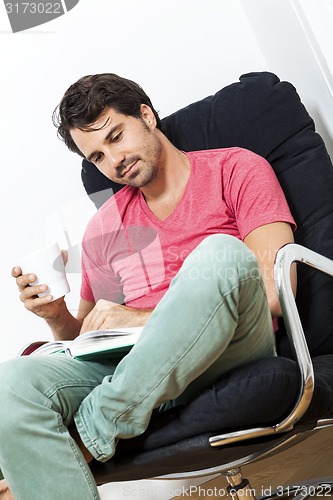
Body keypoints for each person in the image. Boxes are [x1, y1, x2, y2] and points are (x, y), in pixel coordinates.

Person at [0, 73, 296, 499]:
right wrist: (56, 316)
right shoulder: (106, 224)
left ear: (146, 115)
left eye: (117, 137)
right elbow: (84, 339)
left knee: (219, 254)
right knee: (11, 383)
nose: (114, 160)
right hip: (135, 369)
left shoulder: (237, 169)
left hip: (229, 347)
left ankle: (92, 434)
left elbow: (276, 291)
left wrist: (143, 318)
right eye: (98, 156)